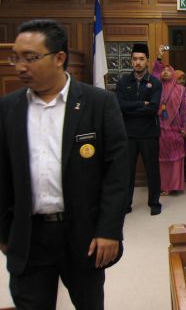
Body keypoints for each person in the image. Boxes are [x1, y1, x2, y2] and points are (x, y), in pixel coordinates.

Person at [0, 19, 129, 309]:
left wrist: (109, 229)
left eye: (30, 58)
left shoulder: (99, 103)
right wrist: (4, 232)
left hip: (83, 233)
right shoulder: (7, 108)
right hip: (29, 236)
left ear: (59, 58)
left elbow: (117, 172)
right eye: (16, 58)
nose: (21, 67)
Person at [116, 43, 163, 215]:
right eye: (135, 59)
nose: (138, 62)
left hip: (149, 133)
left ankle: (154, 203)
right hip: (129, 134)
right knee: (127, 172)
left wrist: (132, 107)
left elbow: (153, 108)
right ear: (131, 61)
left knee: (152, 170)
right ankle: (126, 204)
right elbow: (120, 105)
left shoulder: (155, 82)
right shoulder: (123, 82)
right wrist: (141, 103)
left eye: (141, 59)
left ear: (147, 61)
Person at [152, 47, 186, 195]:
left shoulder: (180, 89)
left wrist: (185, 127)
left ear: (174, 74)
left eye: (169, 70)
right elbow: (154, 74)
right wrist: (159, 57)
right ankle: (164, 186)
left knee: (176, 158)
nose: (165, 72)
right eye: (163, 70)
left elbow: (183, 110)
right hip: (160, 128)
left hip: (175, 129)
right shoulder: (156, 86)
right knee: (162, 159)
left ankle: (175, 186)